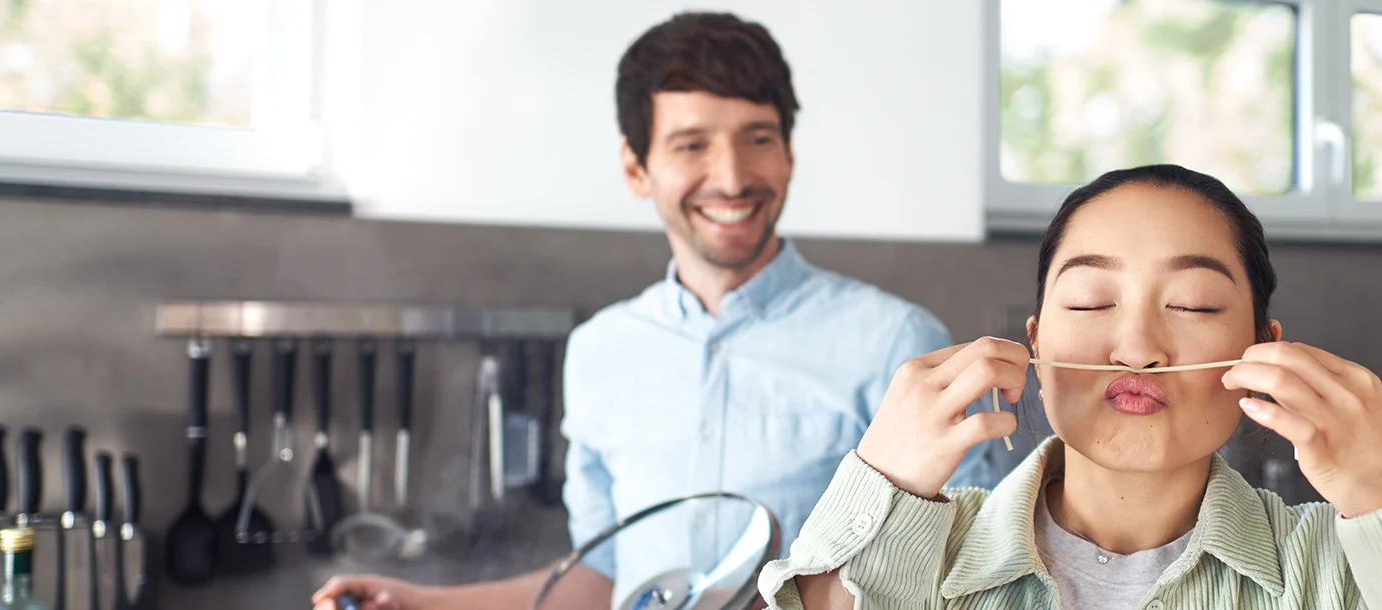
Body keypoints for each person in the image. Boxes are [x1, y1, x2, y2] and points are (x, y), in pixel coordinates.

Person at [313, 12, 998, 610]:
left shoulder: (896, 343)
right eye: (692, 144)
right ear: (637, 167)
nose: (732, 178)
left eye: (758, 137)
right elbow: (603, 583)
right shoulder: (599, 351)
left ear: (788, 155)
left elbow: (970, 574)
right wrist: (421, 603)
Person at [759, 164, 1382, 609]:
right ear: (1035, 343)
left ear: (1263, 350)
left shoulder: (1336, 570)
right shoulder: (922, 554)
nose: (1136, 348)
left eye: (1192, 305)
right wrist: (880, 484)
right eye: (1091, 303)